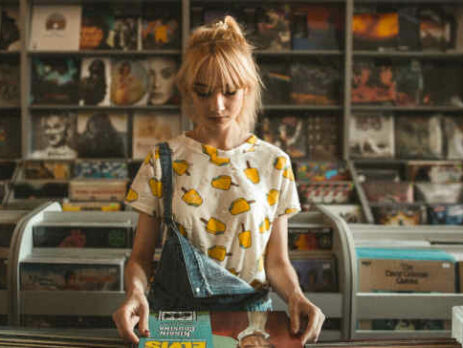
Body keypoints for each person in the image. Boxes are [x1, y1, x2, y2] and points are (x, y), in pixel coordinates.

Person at [112, 16, 325, 345]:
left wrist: (297, 296)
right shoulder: (163, 160)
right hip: (177, 322)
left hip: (250, 325)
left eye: (229, 92)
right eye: (203, 92)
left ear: (247, 88)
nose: (217, 105)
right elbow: (140, 258)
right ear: (187, 91)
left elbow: (277, 262)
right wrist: (135, 293)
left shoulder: (275, 163)